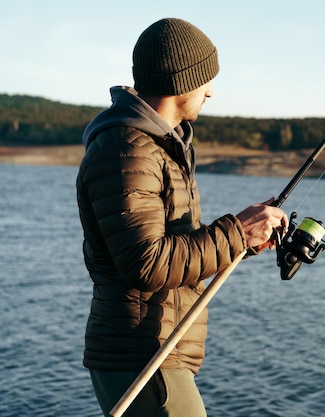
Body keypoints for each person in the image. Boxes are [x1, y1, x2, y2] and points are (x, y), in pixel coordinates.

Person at [76, 18, 287, 417]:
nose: (211, 92)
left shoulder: (158, 147)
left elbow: (174, 250)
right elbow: (148, 262)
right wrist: (236, 232)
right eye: (206, 79)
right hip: (142, 354)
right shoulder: (128, 151)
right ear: (181, 80)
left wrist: (248, 239)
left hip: (157, 350)